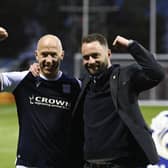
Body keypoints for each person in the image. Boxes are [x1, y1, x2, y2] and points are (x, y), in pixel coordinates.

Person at [72, 33, 165, 168]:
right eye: (86, 57)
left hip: (123, 163)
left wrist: (131, 45)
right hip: (90, 164)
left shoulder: (125, 77)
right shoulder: (83, 84)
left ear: (108, 54)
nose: (91, 61)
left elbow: (157, 73)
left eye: (95, 55)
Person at [0, 33, 81, 168]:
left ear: (62, 55)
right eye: (44, 54)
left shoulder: (75, 86)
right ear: (36, 55)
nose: (48, 60)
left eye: (53, 54)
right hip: (27, 165)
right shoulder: (23, 80)